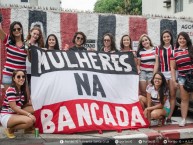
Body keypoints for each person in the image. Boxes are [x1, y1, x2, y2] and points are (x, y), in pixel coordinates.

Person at [0, 70, 36, 138]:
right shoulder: (11, 90)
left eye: (23, 77)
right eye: (18, 77)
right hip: (7, 115)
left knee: (35, 108)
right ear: (14, 79)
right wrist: (28, 114)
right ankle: (10, 129)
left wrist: (33, 104)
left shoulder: (22, 89)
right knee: (29, 121)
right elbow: (14, 107)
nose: (21, 78)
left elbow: (22, 105)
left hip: (15, 113)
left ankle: (27, 129)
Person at [153, 30, 176, 124]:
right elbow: (156, 63)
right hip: (162, 73)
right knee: (162, 95)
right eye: (164, 37)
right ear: (162, 38)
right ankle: (162, 115)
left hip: (172, 73)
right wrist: (154, 76)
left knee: (172, 95)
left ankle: (169, 116)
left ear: (171, 37)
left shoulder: (175, 47)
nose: (166, 38)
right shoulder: (158, 48)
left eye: (168, 36)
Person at [170, 31, 193, 127]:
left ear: (187, 39)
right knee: (184, 99)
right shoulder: (174, 52)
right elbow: (173, 68)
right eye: (180, 38)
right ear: (177, 40)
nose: (182, 40)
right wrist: (174, 80)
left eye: (184, 38)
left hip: (192, 75)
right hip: (182, 78)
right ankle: (183, 119)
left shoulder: (191, 49)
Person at [0, 21, 27, 91]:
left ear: (21, 29)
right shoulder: (8, 40)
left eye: (18, 29)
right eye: (14, 29)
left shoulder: (26, 44)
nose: (16, 31)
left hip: (20, 77)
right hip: (8, 75)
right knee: (10, 98)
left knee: (20, 99)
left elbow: (30, 59)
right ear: (12, 31)